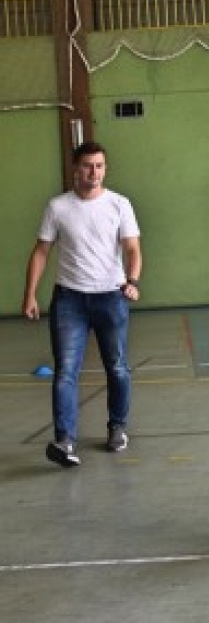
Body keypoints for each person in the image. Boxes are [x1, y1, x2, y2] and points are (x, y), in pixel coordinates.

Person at [22, 140, 142, 468]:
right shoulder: (58, 207)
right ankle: (64, 441)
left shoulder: (119, 204)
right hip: (68, 301)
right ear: (76, 169)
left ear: (105, 169)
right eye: (88, 166)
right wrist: (30, 293)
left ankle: (117, 427)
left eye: (100, 166)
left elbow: (132, 248)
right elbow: (42, 251)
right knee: (65, 373)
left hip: (111, 298)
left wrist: (131, 282)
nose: (94, 173)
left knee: (117, 368)